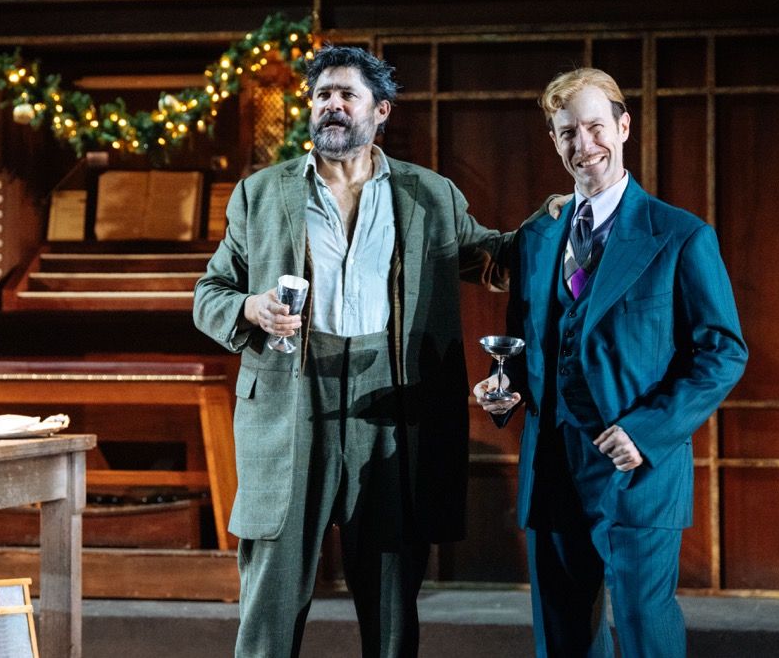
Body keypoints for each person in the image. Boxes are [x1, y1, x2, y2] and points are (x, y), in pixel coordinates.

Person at [194, 45, 517, 658]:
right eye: (322, 96)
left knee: (393, 600)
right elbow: (209, 292)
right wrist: (247, 308)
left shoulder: (430, 195)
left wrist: (565, 219)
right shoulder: (260, 194)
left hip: (392, 402)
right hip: (292, 400)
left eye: (347, 95)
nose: (332, 106)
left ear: (381, 111)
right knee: (269, 595)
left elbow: (493, 257)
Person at [476, 67, 748, 658]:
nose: (584, 145)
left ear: (623, 127)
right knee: (563, 638)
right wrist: (507, 387)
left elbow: (724, 352)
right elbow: (529, 342)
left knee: (646, 634)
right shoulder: (537, 239)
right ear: (555, 141)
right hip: (551, 464)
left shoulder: (679, 236)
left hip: (635, 469)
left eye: (596, 127)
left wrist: (647, 433)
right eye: (568, 133)